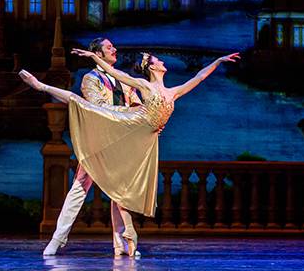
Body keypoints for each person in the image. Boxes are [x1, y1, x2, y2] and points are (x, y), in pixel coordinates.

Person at [19, 49, 240, 256]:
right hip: (115, 127)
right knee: (81, 110)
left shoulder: (171, 92)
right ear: (152, 67)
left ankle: (124, 240)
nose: (162, 61)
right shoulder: (135, 83)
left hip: (137, 137)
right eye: (157, 60)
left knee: (122, 187)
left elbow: (198, 77)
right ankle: (41, 86)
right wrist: (91, 57)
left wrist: (218, 61)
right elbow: (109, 84)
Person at [40, 38, 142, 257]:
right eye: (108, 47)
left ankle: (121, 243)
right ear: (97, 53)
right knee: (79, 188)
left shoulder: (124, 80)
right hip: (99, 141)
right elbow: (99, 107)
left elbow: (137, 104)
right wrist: (129, 113)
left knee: (121, 194)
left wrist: (148, 118)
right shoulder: (91, 78)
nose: (114, 49)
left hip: (121, 141)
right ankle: (57, 239)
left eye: (114, 46)